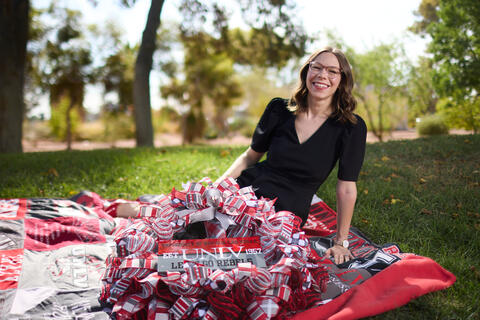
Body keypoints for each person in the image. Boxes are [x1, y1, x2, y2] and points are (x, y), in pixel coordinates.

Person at [217, 47, 367, 265]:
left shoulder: (350, 127)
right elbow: (250, 157)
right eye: (317, 67)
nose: (323, 75)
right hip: (248, 190)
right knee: (197, 233)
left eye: (332, 71)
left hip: (284, 212)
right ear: (307, 72)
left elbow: (346, 187)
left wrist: (340, 242)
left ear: (342, 80)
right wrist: (217, 187)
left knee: (245, 257)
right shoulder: (279, 109)